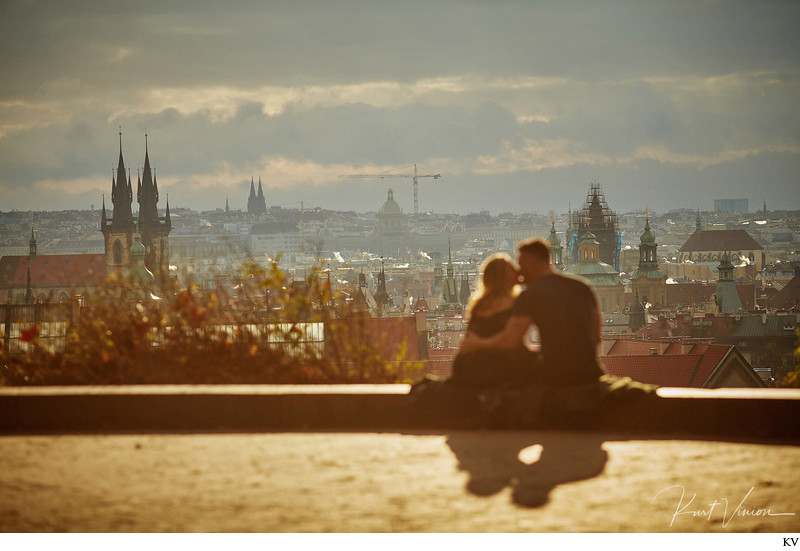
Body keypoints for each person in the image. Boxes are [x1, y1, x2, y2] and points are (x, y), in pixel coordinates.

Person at [460, 238, 605, 386]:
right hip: (591, 372)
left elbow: (510, 340)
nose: (519, 273)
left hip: (558, 376)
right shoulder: (582, 287)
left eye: (520, 265)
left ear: (529, 263)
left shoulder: (531, 295)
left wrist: (477, 343)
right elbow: (597, 335)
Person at [449, 253, 536, 389]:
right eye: (511, 269)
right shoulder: (517, 302)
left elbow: (471, 342)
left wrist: (477, 344)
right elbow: (509, 341)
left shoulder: (479, 304)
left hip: (471, 365)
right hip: (497, 367)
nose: (517, 270)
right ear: (502, 277)